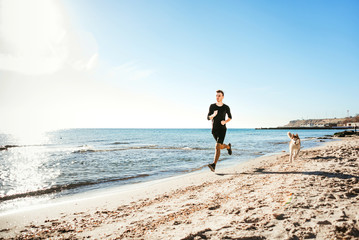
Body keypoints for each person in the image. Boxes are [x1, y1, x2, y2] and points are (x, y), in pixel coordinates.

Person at [207, 90, 232, 172]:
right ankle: (228, 147)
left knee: (217, 146)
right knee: (220, 146)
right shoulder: (212, 106)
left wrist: (225, 122)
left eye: (219, 96)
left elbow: (230, 117)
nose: (217, 97)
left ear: (223, 97)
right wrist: (213, 115)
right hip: (214, 130)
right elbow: (208, 117)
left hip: (222, 129)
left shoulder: (226, 107)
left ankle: (214, 165)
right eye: (216, 96)